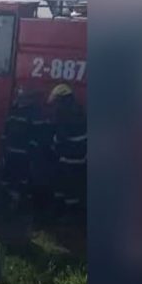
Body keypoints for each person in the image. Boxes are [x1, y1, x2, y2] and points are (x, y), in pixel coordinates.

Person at [49, 83, 86, 219]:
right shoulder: (79, 110)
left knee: (65, 186)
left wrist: (53, 146)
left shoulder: (63, 113)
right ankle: (71, 214)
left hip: (67, 156)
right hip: (80, 156)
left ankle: (65, 215)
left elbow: (60, 138)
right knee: (73, 186)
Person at [0, 87, 38, 210]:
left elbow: (35, 135)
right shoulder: (13, 111)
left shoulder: (33, 113)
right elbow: (6, 130)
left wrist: (32, 151)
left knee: (22, 178)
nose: (20, 100)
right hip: (10, 151)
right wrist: (3, 146)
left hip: (24, 152)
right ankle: (6, 199)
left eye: (23, 97)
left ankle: (19, 201)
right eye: (20, 97)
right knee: (7, 176)